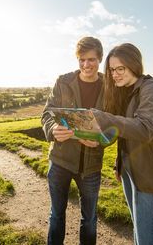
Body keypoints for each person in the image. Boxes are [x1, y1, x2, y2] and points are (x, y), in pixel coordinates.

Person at [92, 43, 153, 245]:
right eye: (112, 70)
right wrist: (117, 162)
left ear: (135, 66)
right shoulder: (126, 90)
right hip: (131, 170)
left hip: (151, 177)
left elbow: (145, 129)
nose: (115, 74)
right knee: (138, 233)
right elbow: (122, 131)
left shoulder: (151, 90)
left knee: (145, 240)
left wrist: (104, 118)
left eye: (121, 69)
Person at [41, 36, 105, 245]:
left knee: (89, 220)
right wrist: (52, 129)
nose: (86, 65)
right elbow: (47, 114)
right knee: (57, 215)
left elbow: (115, 127)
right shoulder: (63, 82)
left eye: (91, 60)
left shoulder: (109, 87)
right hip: (60, 161)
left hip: (91, 165)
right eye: (82, 60)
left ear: (100, 59)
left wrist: (101, 141)